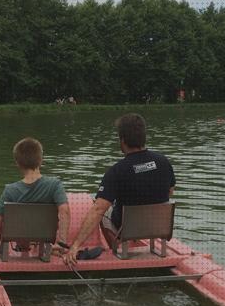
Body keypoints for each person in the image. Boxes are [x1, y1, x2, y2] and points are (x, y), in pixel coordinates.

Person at [63, 113, 175, 266]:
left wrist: (75, 246)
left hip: (126, 227)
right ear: (143, 137)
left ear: (122, 140)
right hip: (156, 225)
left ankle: (116, 248)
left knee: (100, 209)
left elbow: (98, 210)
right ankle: (138, 238)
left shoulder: (117, 171)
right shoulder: (164, 162)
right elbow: (170, 192)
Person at [0, 137, 70, 252]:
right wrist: (62, 242)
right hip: (45, 236)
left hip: (18, 234)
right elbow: (65, 211)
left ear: (17, 163)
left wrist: (2, 234)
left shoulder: (10, 190)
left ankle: (23, 245)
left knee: (19, 226)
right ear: (41, 160)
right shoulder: (55, 185)